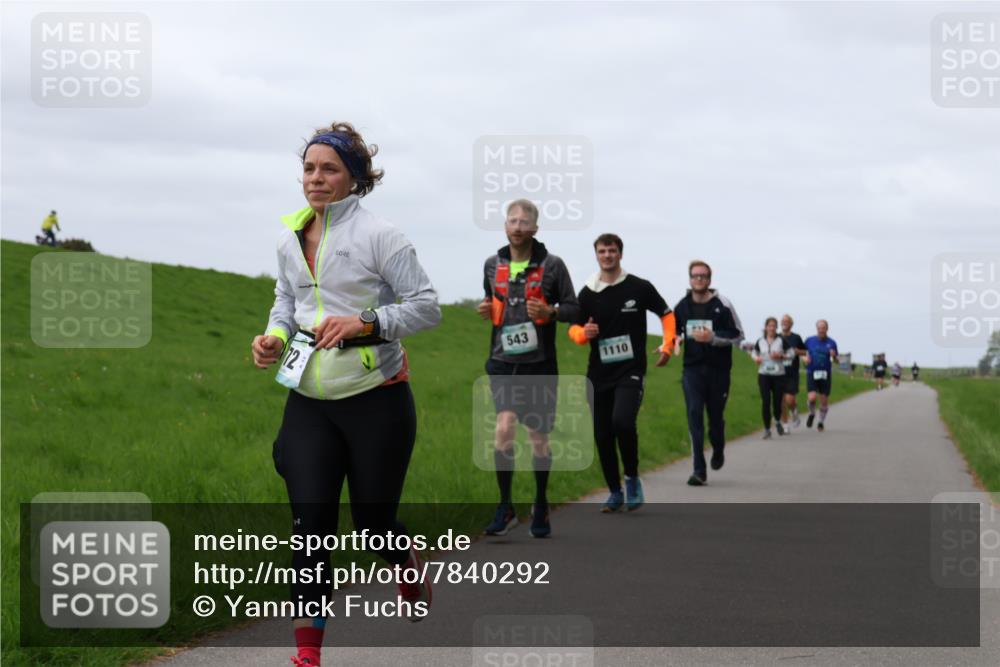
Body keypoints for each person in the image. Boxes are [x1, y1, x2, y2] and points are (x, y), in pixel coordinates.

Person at [250, 122, 441, 667]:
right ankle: (308, 654)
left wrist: (364, 322)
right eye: (309, 168)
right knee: (310, 528)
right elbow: (286, 303)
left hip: (376, 397)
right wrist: (274, 338)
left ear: (355, 177)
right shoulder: (289, 237)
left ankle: (405, 565)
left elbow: (426, 307)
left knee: (373, 528)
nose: (316, 178)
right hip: (309, 400)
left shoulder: (382, 236)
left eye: (329, 168)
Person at [477, 199, 579, 537]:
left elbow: (573, 309)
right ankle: (505, 507)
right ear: (505, 225)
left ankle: (540, 502)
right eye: (512, 221)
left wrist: (551, 313)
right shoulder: (492, 264)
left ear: (535, 229)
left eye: (524, 222)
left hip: (539, 365)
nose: (517, 227)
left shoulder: (553, 266)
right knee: (504, 427)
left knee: (538, 439)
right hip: (502, 362)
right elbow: (493, 304)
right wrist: (486, 309)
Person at [568, 233, 675, 512]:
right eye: (602, 251)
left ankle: (631, 479)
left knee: (623, 422)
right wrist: (583, 333)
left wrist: (668, 343)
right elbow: (573, 328)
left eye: (612, 250)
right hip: (598, 373)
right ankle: (614, 491)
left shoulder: (639, 287)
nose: (607, 255)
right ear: (596, 255)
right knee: (602, 434)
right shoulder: (588, 292)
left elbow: (666, 313)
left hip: (631, 370)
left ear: (620, 254)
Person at [672, 260, 745, 486]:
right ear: (690, 278)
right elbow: (675, 333)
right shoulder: (681, 307)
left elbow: (738, 335)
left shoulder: (722, 304)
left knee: (715, 419)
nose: (699, 280)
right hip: (692, 369)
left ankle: (718, 446)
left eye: (703, 276)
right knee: (694, 414)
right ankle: (698, 469)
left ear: (710, 279)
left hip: (719, 370)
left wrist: (712, 338)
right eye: (695, 276)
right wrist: (672, 343)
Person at [753, 317, 789, 439]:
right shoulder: (760, 341)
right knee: (766, 401)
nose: (772, 328)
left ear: (776, 328)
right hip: (764, 374)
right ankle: (767, 429)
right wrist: (756, 358)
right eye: (770, 325)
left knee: (777, 401)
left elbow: (792, 353)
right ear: (766, 327)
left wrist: (781, 355)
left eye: (774, 326)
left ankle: (778, 420)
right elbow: (754, 352)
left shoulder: (781, 340)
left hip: (779, 375)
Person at [804, 320, 839, 432]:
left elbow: (837, 360)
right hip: (811, 372)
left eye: (823, 328)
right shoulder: (809, 340)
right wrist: (805, 359)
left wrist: (834, 356)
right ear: (817, 329)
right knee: (812, 397)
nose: (821, 330)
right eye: (819, 328)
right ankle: (812, 413)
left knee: (824, 400)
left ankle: (821, 422)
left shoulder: (832, 342)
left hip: (825, 374)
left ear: (827, 329)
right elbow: (803, 354)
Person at [779, 314, 808, 431]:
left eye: (787, 321)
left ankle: (794, 412)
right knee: (780, 401)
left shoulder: (796, 338)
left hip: (792, 373)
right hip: (778, 373)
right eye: (783, 321)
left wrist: (797, 351)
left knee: (789, 399)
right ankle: (785, 424)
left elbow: (805, 352)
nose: (785, 323)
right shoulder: (777, 338)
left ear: (791, 324)